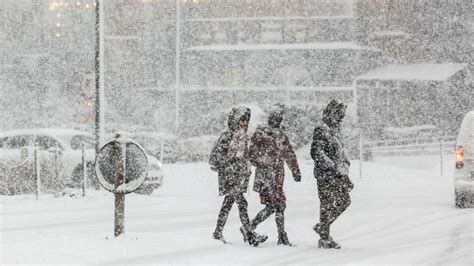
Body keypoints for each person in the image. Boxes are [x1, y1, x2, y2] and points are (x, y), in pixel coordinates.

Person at [209, 106, 267, 246]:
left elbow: (243, 156)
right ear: (235, 120)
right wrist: (230, 165)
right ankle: (249, 234)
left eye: (247, 120)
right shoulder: (227, 136)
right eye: (242, 120)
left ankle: (218, 231)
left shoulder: (241, 136)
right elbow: (215, 157)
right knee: (242, 203)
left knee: (228, 204)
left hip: (238, 177)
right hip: (230, 176)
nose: (245, 123)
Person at [248, 103, 301, 246]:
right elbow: (251, 154)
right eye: (276, 117)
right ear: (271, 118)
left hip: (276, 176)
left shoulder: (281, 135)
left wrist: (295, 171)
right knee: (278, 205)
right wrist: (264, 161)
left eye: (280, 118)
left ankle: (251, 227)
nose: (278, 120)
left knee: (276, 206)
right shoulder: (261, 133)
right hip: (266, 176)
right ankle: (280, 236)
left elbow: (289, 154)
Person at [310, 99, 354, 249]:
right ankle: (324, 237)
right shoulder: (321, 129)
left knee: (344, 200)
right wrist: (331, 165)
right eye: (339, 114)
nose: (341, 118)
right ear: (332, 113)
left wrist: (345, 167)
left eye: (342, 115)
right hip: (325, 174)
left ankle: (323, 228)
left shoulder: (337, 130)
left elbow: (341, 153)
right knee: (326, 204)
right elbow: (316, 152)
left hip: (338, 174)